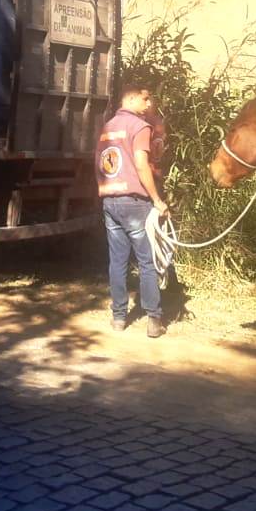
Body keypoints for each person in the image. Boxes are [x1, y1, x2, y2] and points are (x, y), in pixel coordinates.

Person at [96, 80, 171, 337]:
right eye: (145, 98)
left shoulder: (107, 128)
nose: (148, 103)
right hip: (135, 203)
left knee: (117, 262)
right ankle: (153, 319)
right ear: (130, 99)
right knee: (147, 261)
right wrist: (157, 200)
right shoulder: (139, 126)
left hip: (110, 201)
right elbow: (141, 164)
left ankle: (118, 317)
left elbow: (102, 164)